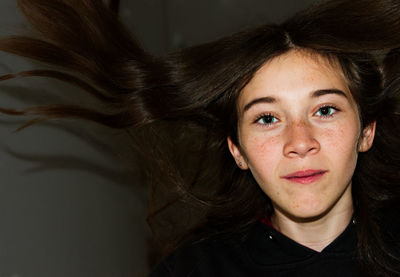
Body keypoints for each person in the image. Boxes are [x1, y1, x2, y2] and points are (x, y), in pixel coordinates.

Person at [1, 0, 400, 276]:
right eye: (266, 118)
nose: (300, 141)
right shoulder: (190, 270)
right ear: (237, 150)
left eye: (324, 110)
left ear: (366, 130)